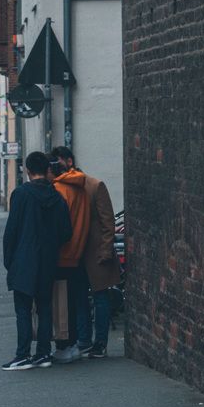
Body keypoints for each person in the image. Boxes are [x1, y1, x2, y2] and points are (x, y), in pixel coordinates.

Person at [1, 151, 72, 371]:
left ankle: (23, 354)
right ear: (47, 170)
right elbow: (66, 232)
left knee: (23, 309)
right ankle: (43, 353)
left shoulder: (21, 194)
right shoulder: (57, 197)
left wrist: (9, 260)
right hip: (48, 259)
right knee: (44, 308)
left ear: (28, 170)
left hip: (24, 258)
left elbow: (11, 230)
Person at [53, 147, 119, 359]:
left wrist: (106, 249)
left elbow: (107, 220)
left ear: (69, 162)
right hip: (76, 251)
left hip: (96, 251)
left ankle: (100, 343)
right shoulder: (60, 187)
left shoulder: (94, 185)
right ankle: (84, 340)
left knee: (100, 297)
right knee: (79, 298)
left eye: (59, 162)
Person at [48, 147, 91, 364]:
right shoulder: (80, 186)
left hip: (62, 254)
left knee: (62, 304)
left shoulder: (59, 190)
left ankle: (65, 345)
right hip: (79, 251)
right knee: (76, 301)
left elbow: (58, 226)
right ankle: (77, 343)